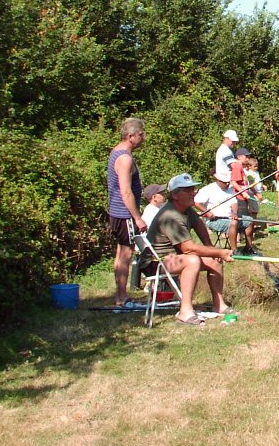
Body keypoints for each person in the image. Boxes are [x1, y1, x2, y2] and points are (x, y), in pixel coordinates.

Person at [142, 172, 236, 325]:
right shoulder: (170, 215)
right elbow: (188, 248)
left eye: (194, 189)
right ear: (176, 195)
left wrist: (211, 249)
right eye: (189, 190)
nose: (194, 193)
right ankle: (185, 311)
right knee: (192, 260)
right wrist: (220, 251)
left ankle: (219, 304)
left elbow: (199, 225)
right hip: (154, 263)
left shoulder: (186, 208)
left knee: (214, 260)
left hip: (173, 257)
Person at [107, 117, 147, 307]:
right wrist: (138, 218)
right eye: (141, 134)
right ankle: (122, 297)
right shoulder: (124, 158)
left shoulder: (116, 151)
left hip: (118, 212)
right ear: (130, 136)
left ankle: (120, 295)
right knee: (126, 254)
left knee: (121, 253)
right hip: (124, 214)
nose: (143, 138)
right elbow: (125, 191)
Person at [194, 169, 257, 255]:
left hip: (230, 217)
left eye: (228, 182)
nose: (227, 184)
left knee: (250, 220)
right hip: (215, 220)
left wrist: (235, 213)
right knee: (234, 223)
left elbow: (234, 203)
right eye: (225, 182)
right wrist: (207, 212)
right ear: (218, 180)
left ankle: (249, 247)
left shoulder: (230, 189)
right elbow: (196, 202)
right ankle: (234, 250)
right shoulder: (208, 189)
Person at [244, 156, 264, 224]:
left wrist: (263, 185)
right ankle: (252, 224)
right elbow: (251, 186)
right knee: (253, 210)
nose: (256, 167)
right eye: (255, 166)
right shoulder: (250, 174)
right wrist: (257, 194)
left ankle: (254, 223)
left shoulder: (256, 172)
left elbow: (257, 181)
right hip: (253, 194)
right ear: (249, 166)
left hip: (258, 192)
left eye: (257, 166)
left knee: (256, 209)